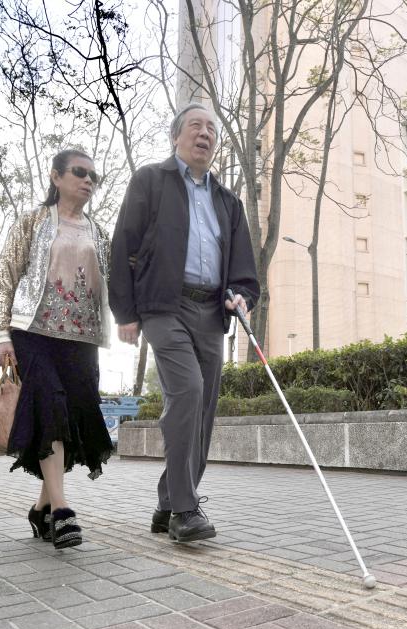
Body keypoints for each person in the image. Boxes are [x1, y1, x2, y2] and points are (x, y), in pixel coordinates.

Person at [109, 102, 259, 543]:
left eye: (211, 129)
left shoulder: (228, 202)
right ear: (176, 136)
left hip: (210, 312)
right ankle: (185, 511)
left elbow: (244, 271)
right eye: (195, 126)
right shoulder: (151, 181)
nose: (205, 134)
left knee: (203, 411)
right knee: (188, 390)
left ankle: (166, 502)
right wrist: (126, 312)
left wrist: (242, 296)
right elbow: (124, 243)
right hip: (163, 307)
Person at [0, 148, 113, 550]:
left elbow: (120, 280)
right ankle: (61, 510)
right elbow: (5, 278)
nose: (88, 181)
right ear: (56, 177)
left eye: (95, 176)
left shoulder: (99, 233)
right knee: (50, 404)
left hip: (80, 338)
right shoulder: (33, 222)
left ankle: (41, 507)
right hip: (33, 332)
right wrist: (0, 335)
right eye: (80, 173)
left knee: (72, 416)